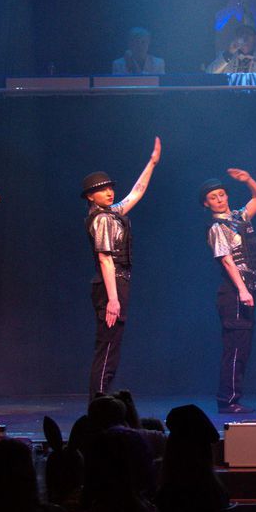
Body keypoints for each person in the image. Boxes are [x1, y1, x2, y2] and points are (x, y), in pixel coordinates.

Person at [83, 136, 161, 399]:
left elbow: (136, 193)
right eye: (102, 190)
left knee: (112, 346)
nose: (109, 192)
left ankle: (102, 400)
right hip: (111, 284)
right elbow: (105, 259)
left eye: (110, 188)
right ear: (90, 196)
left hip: (118, 282)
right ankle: (99, 403)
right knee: (107, 347)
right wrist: (113, 298)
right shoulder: (102, 219)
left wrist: (152, 163)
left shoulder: (113, 213)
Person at [200, 169, 256, 414]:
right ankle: (227, 400)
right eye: (213, 197)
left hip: (248, 286)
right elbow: (227, 260)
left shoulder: (239, 217)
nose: (219, 199)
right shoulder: (217, 227)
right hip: (234, 290)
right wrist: (242, 290)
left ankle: (233, 398)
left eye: (222, 194)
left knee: (243, 347)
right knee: (236, 347)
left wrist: (248, 180)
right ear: (206, 204)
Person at [206, 7, 256, 74]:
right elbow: (209, 74)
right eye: (241, 33)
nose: (245, 38)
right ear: (236, 37)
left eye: (249, 33)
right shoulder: (225, 59)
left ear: (254, 38)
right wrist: (229, 53)